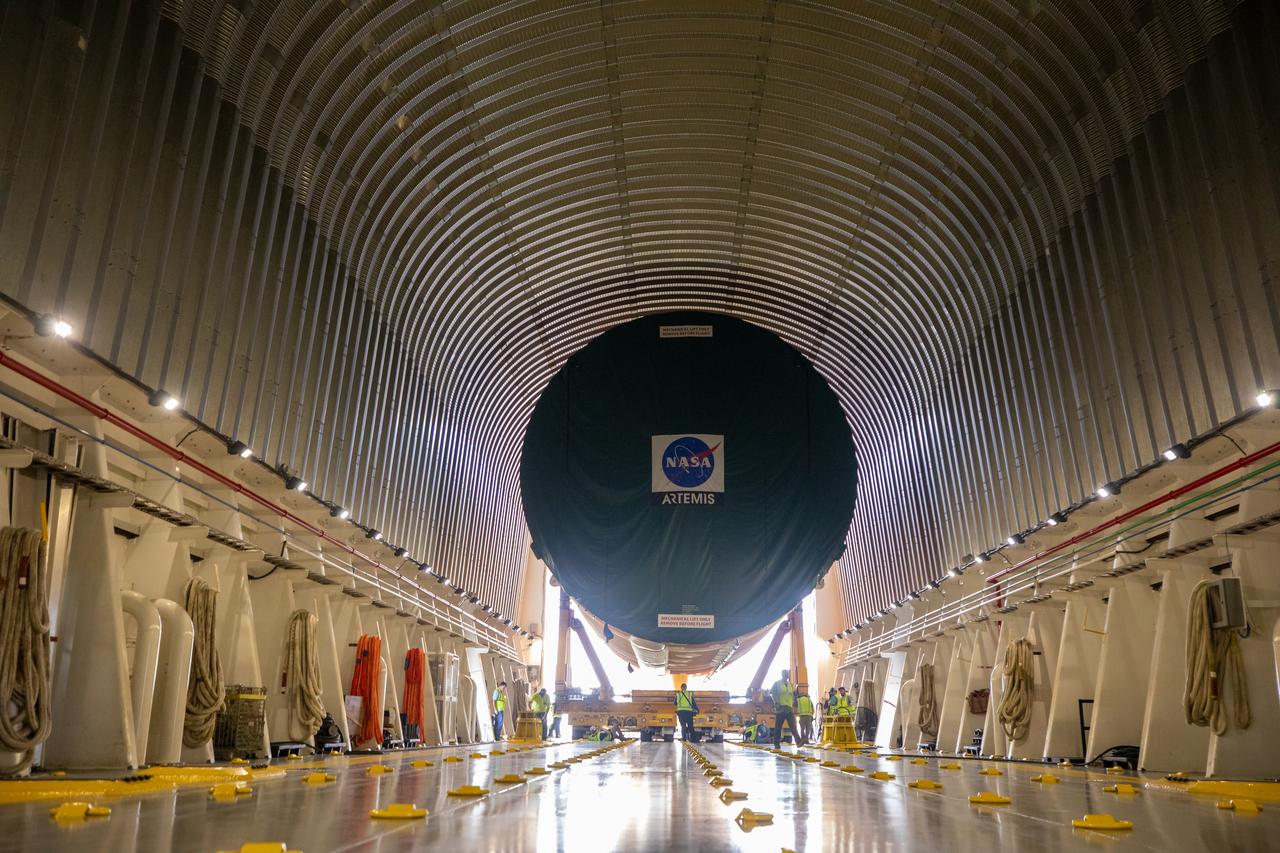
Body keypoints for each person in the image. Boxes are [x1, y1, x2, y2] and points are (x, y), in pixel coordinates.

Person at [770, 669, 802, 747]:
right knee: (778, 727)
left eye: (788, 674)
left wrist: (793, 702)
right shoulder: (777, 684)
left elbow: (793, 695)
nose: (787, 675)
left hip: (789, 708)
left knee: (793, 726)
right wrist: (776, 703)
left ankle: (798, 742)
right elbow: (772, 693)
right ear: (782, 674)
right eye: (786, 674)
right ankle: (776, 743)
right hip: (781, 708)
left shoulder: (790, 685)